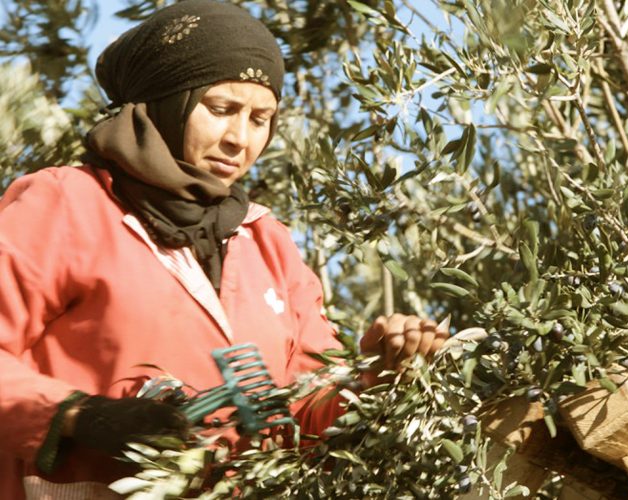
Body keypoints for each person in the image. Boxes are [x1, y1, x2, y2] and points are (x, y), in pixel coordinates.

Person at [0, 0, 447, 497]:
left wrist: (377, 371)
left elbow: (305, 409)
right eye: (222, 109)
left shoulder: (265, 241)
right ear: (165, 102)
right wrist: (78, 416)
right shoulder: (67, 203)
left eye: (261, 118)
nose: (240, 139)